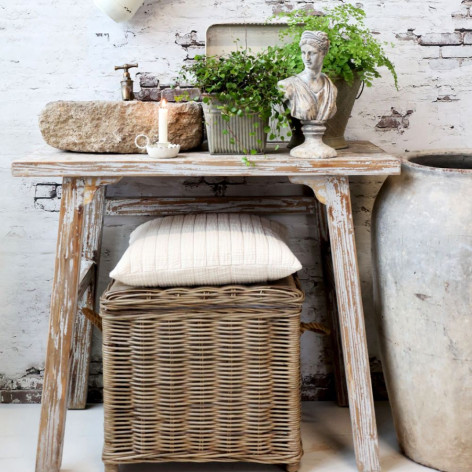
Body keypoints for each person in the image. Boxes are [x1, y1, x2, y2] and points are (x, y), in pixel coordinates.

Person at [278, 30, 337, 122]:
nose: (306, 58)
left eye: (312, 53)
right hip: (303, 133)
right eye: (303, 53)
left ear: (324, 53)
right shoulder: (287, 85)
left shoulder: (331, 88)